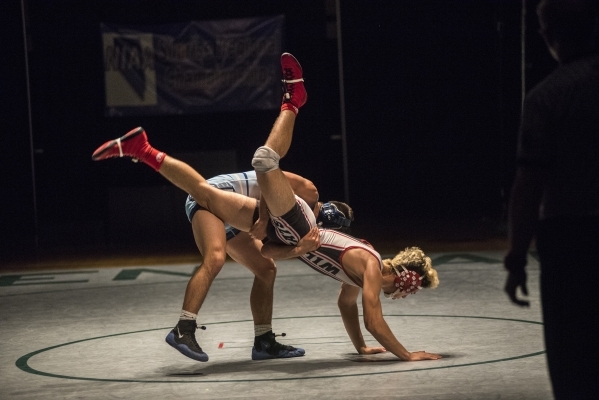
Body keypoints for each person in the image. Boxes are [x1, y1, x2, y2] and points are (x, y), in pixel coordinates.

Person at [92, 53, 441, 362]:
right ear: (404, 280)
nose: (401, 296)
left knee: (262, 263)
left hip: (283, 231)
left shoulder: (355, 271)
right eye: (407, 290)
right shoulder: (361, 255)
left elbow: (344, 305)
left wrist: (361, 347)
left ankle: (263, 341)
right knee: (262, 162)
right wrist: (407, 355)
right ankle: (292, 100)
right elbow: (373, 319)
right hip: (274, 214)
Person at [503, 0, 599, 398]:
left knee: (573, 359)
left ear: (548, 37)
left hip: (572, 238)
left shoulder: (548, 97)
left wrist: (517, 258)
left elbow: (529, 184)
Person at [170, 169, 353, 362]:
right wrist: (264, 218)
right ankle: (184, 328)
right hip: (210, 196)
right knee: (215, 258)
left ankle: (263, 341)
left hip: (236, 214)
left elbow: (268, 251)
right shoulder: (309, 191)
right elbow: (267, 176)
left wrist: (299, 249)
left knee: (266, 269)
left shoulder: (304, 227)